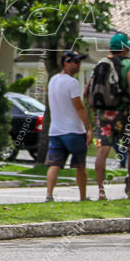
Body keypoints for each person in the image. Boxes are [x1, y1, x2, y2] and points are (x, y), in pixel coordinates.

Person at [85, 32, 130, 200]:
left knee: (102, 151)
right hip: (124, 114)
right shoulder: (129, 64)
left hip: (104, 114)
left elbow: (87, 91)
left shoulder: (101, 64)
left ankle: (101, 192)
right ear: (124, 49)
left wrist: (95, 112)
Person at [44, 50, 92, 202]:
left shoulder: (53, 80)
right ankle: (83, 197)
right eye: (75, 62)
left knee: (55, 164)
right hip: (74, 131)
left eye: (79, 61)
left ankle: (49, 195)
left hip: (55, 131)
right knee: (80, 165)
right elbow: (79, 106)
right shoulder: (72, 83)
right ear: (66, 63)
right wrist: (89, 127)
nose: (78, 65)